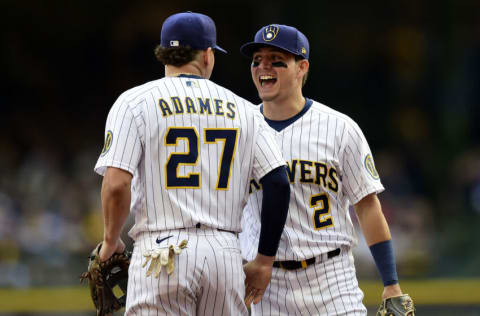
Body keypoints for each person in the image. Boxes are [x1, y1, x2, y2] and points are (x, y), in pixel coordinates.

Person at [94, 12, 291, 316]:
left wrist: (110, 241)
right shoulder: (244, 110)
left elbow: (117, 183)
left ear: (164, 54)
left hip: (161, 250)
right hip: (224, 252)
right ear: (208, 55)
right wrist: (264, 260)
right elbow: (278, 182)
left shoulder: (134, 102)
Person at [239, 24, 407, 315]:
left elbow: (368, 207)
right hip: (264, 285)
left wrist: (391, 283)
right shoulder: (238, 127)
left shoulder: (340, 128)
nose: (263, 66)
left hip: (330, 277)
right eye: (257, 60)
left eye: (276, 59)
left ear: (301, 67)